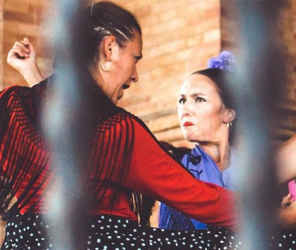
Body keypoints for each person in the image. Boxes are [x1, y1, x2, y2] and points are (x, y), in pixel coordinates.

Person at [0, 2, 241, 249]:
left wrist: (32, 74)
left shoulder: (10, 106)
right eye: (135, 58)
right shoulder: (117, 131)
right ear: (110, 48)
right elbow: (198, 198)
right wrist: (269, 215)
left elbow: (53, 141)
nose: (135, 75)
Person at [159, 52, 239, 230]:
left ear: (228, 113)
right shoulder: (175, 171)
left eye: (199, 99)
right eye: (182, 100)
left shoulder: (256, 167)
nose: (185, 109)